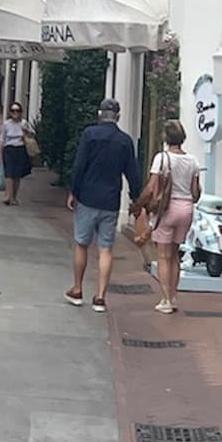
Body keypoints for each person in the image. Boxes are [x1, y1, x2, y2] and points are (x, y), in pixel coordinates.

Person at [65, 96, 141, 314]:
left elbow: (79, 165)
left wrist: (73, 191)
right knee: (106, 248)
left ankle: (78, 289)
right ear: (118, 116)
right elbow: (132, 174)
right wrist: (136, 198)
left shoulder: (90, 135)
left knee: (81, 243)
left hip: (88, 197)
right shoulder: (125, 141)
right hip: (110, 200)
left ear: (99, 114)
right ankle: (100, 297)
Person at [142, 118, 204, 313]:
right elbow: (195, 193)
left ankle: (166, 300)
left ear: (166, 137)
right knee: (175, 255)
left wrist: (141, 203)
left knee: (162, 255)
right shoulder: (193, 161)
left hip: (167, 209)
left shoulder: (162, 158)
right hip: (186, 210)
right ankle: (174, 296)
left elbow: (152, 187)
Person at [0, 100, 33, 205]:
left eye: (17, 111)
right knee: (9, 173)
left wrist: (26, 131)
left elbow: (32, 135)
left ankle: (14, 196)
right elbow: (2, 139)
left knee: (17, 175)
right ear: (10, 112)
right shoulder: (6, 124)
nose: (15, 113)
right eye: (13, 111)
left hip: (20, 149)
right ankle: (8, 196)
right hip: (9, 149)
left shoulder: (24, 123)